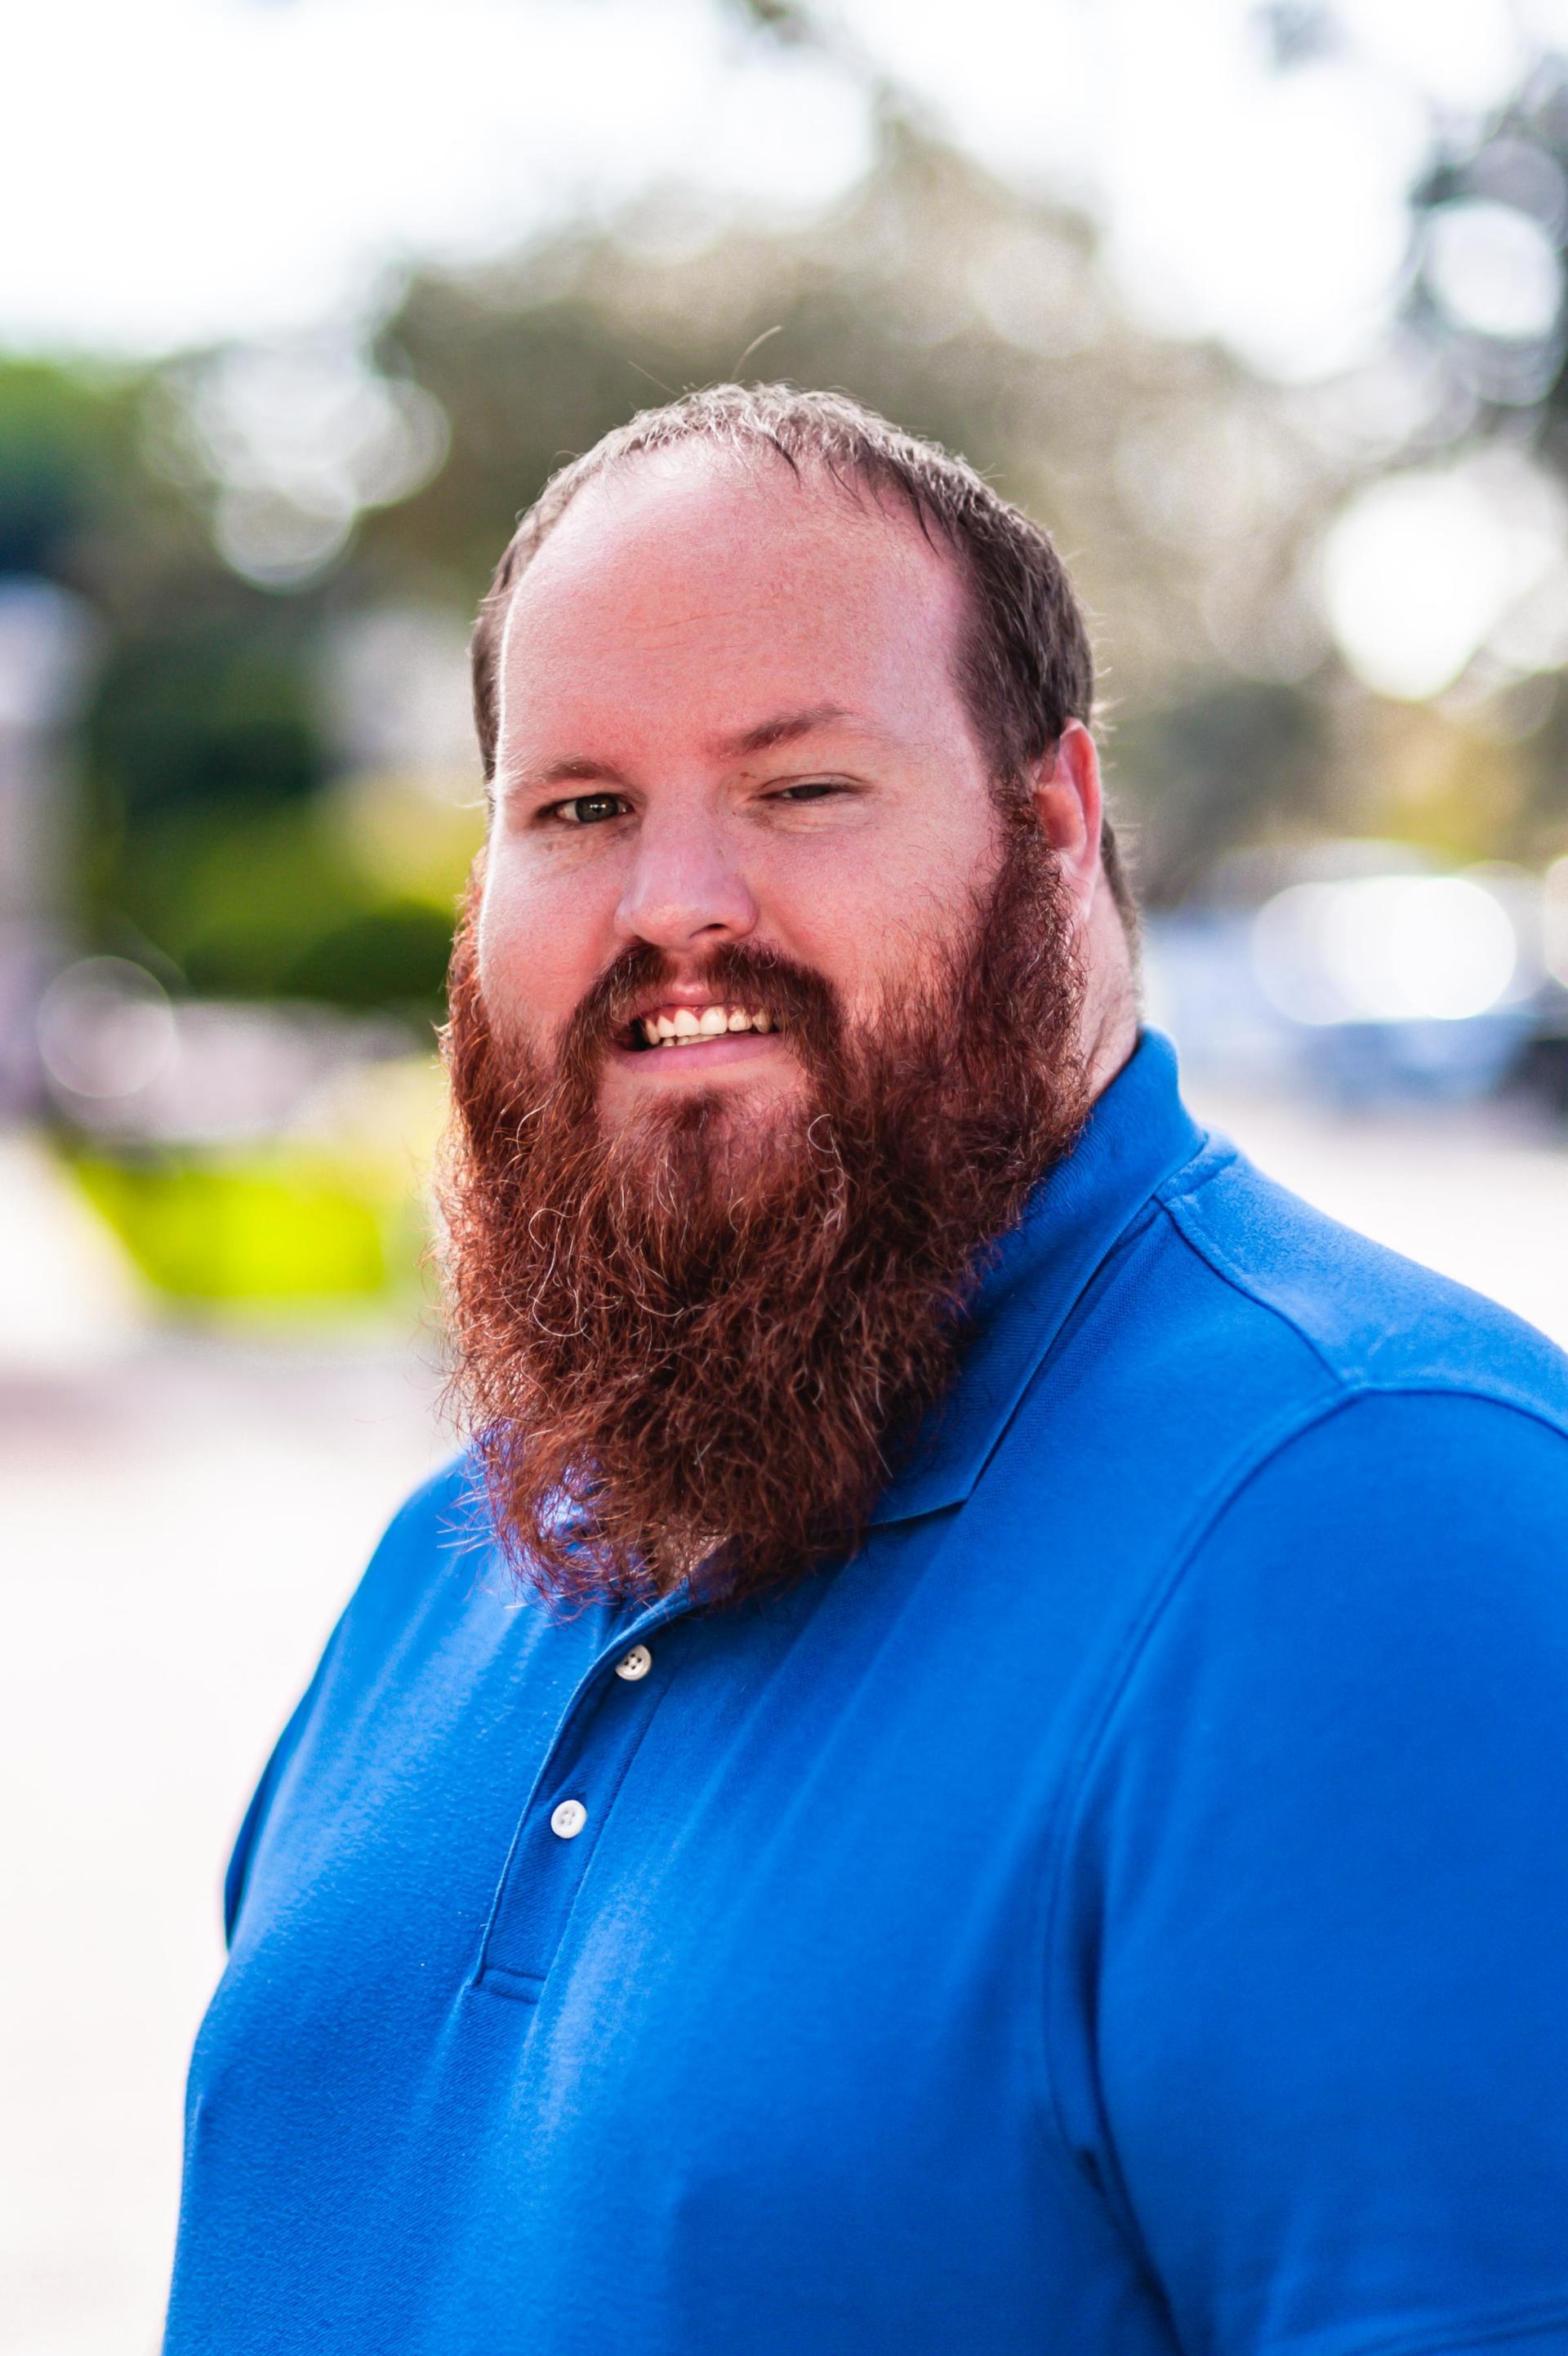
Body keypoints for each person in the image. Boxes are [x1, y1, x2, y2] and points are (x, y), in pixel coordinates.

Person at [164, 387, 1568, 2356]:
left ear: (1051, 823)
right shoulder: (452, 1560)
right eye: (578, 808)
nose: (675, 908)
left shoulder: (1386, 1523)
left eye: (801, 787)